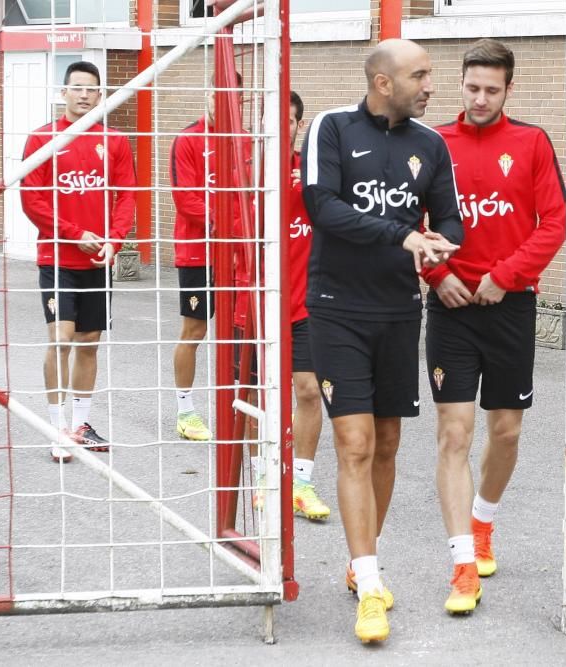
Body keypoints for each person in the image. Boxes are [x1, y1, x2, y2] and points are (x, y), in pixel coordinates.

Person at [301, 39, 462, 643]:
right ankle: (371, 585)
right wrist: (401, 236)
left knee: (389, 443)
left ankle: (358, 558)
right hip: (337, 309)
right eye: (420, 74)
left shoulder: (431, 143)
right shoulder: (332, 129)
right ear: (383, 82)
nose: (430, 85)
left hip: (399, 310)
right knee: (356, 442)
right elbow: (323, 208)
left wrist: (443, 243)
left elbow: (449, 220)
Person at [422, 39, 566, 615]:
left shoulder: (530, 143)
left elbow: (552, 222)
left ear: (509, 89)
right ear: (461, 83)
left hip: (509, 306)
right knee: (453, 435)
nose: (480, 99)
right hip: (451, 307)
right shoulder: (432, 143)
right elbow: (411, 222)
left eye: (492, 90)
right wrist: (438, 277)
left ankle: (483, 524)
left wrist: (506, 276)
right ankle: (462, 565)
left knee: (504, 430)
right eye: (471, 87)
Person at [21, 61, 136, 463]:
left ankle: (80, 425)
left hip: (98, 262)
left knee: (89, 343)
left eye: (91, 89)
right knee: (61, 340)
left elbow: (127, 197)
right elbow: (31, 200)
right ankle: (56, 427)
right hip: (57, 258)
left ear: (101, 95)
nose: (84, 94)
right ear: (63, 92)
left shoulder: (115, 142)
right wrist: (75, 233)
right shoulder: (41, 140)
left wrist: (114, 241)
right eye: (77, 88)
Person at [246, 92, 331, 522]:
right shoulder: (243, 176)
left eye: (291, 121)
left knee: (308, 391)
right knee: (257, 396)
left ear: (300, 127)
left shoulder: (311, 175)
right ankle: (263, 478)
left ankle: (299, 482)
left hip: (305, 304)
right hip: (256, 306)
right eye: (273, 120)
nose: (283, 127)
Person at [170, 71, 251, 444]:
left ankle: (241, 410)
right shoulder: (188, 139)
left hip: (239, 256)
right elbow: (187, 200)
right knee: (196, 329)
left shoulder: (248, 143)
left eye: (230, 94)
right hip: (199, 254)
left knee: (240, 333)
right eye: (216, 92)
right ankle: (186, 411)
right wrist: (228, 224)